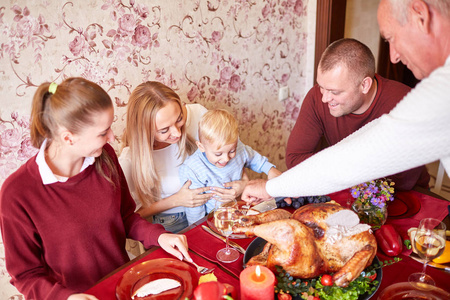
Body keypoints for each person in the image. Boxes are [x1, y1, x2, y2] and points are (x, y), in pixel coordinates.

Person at [0, 78, 192, 300]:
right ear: (68, 138)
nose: (112, 137)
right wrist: (67, 297)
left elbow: (126, 217)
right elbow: (26, 275)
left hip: (122, 285)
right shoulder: (17, 194)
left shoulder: (105, 157)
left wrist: (159, 237)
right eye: (103, 133)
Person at [241, 0, 450, 203]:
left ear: (420, 15)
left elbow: (354, 160)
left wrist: (271, 188)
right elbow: (357, 149)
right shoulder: (440, 86)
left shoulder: (436, 95)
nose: (393, 56)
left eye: (391, 38)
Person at [286, 38, 429, 191]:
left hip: (407, 196)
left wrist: (330, 164)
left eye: (335, 92)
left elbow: (397, 181)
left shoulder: (406, 105)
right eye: (321, 87)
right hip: (347, 190)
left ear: (364, 85)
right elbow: (295, 159)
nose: (324, 98)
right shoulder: (316, 97)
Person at [119, 82, 248, 233]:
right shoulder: (130, 159)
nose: (177, 133)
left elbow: (235, 150)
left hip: (217, 209)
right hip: (173, 222)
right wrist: (176, 200)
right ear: (144, 130)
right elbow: (128, 217)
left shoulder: (198, 114)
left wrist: (243, 183)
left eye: (179, 119)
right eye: (164, 130)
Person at [179, 109, 282, 225]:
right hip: (214, 220)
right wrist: (197, 229)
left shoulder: (239, 149)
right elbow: (195, 210)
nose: (226, 158)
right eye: (218, 154)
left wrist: (270, 169)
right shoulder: (192, 169)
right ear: (201, 146)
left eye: (231, 151)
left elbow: (254, 159)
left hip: (241, 210)